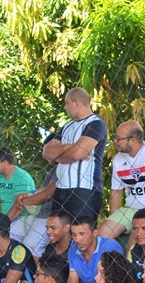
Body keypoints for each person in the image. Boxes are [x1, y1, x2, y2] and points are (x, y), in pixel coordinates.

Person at [42, 87, 108, 222]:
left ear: (77, 103)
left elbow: (76, 154)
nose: (65, 107)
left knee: (80, 233)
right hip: (60, 189)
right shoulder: (66, 126)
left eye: (67, 103)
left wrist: (59, 154)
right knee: (58, 232)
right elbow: (46, 153)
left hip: (84, 190)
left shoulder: (96, 124)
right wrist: (68, 147)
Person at [99, 121, 145, 242]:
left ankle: (133, 259)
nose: (115, 141)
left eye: (119, 138)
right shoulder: (118, 159)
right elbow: (116, 192)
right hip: (130, 208)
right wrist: (115, 219)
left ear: (133, 140)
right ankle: (115, 260)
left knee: (136, 237)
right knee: (103, 233)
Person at [0, 146, 37, 244]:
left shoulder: (21, 177)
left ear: (5, 162)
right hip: (5, 219)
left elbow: (19, 206)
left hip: (22, 217)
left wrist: (2, 225)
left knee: (8, 236)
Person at [67, 216, 123, 283]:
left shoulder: (111, 248)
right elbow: (72, 282)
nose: (77, 240)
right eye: (74, 235)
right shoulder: (73, 248)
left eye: (82, 234)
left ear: (95, 233)